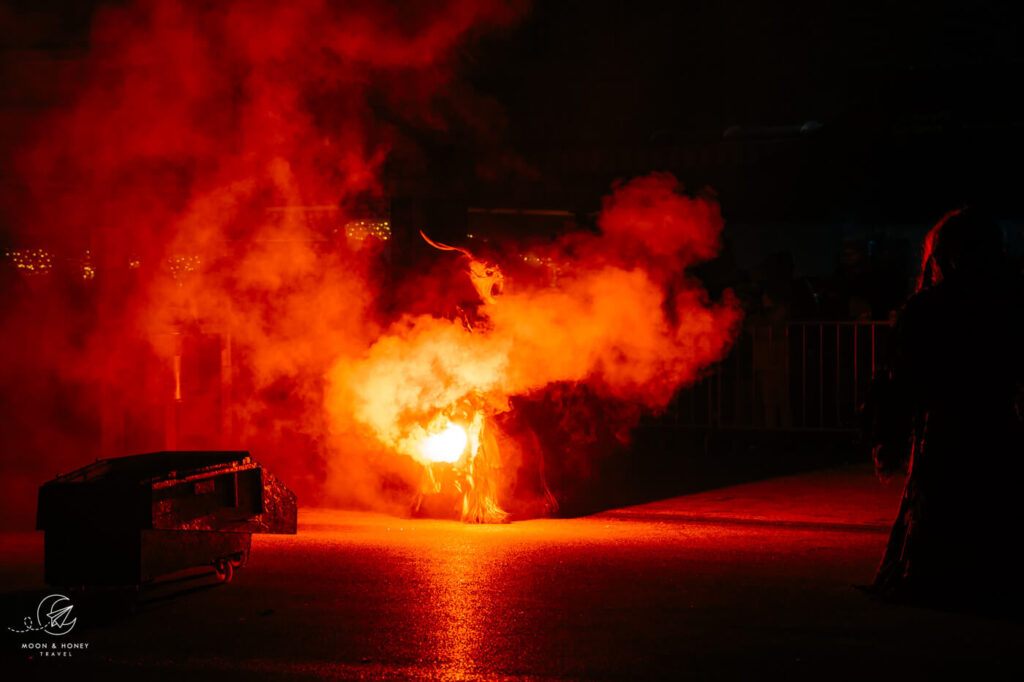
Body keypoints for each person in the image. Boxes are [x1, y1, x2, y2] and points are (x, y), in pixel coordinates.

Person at [868, 207, 1024, 610]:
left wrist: (889, 435)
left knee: (944, 501)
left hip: (948, 426)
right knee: (992, 500)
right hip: (995, 421)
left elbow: (901, 378)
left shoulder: (931, 307)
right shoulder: (1010, 300)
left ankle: (941, 576)